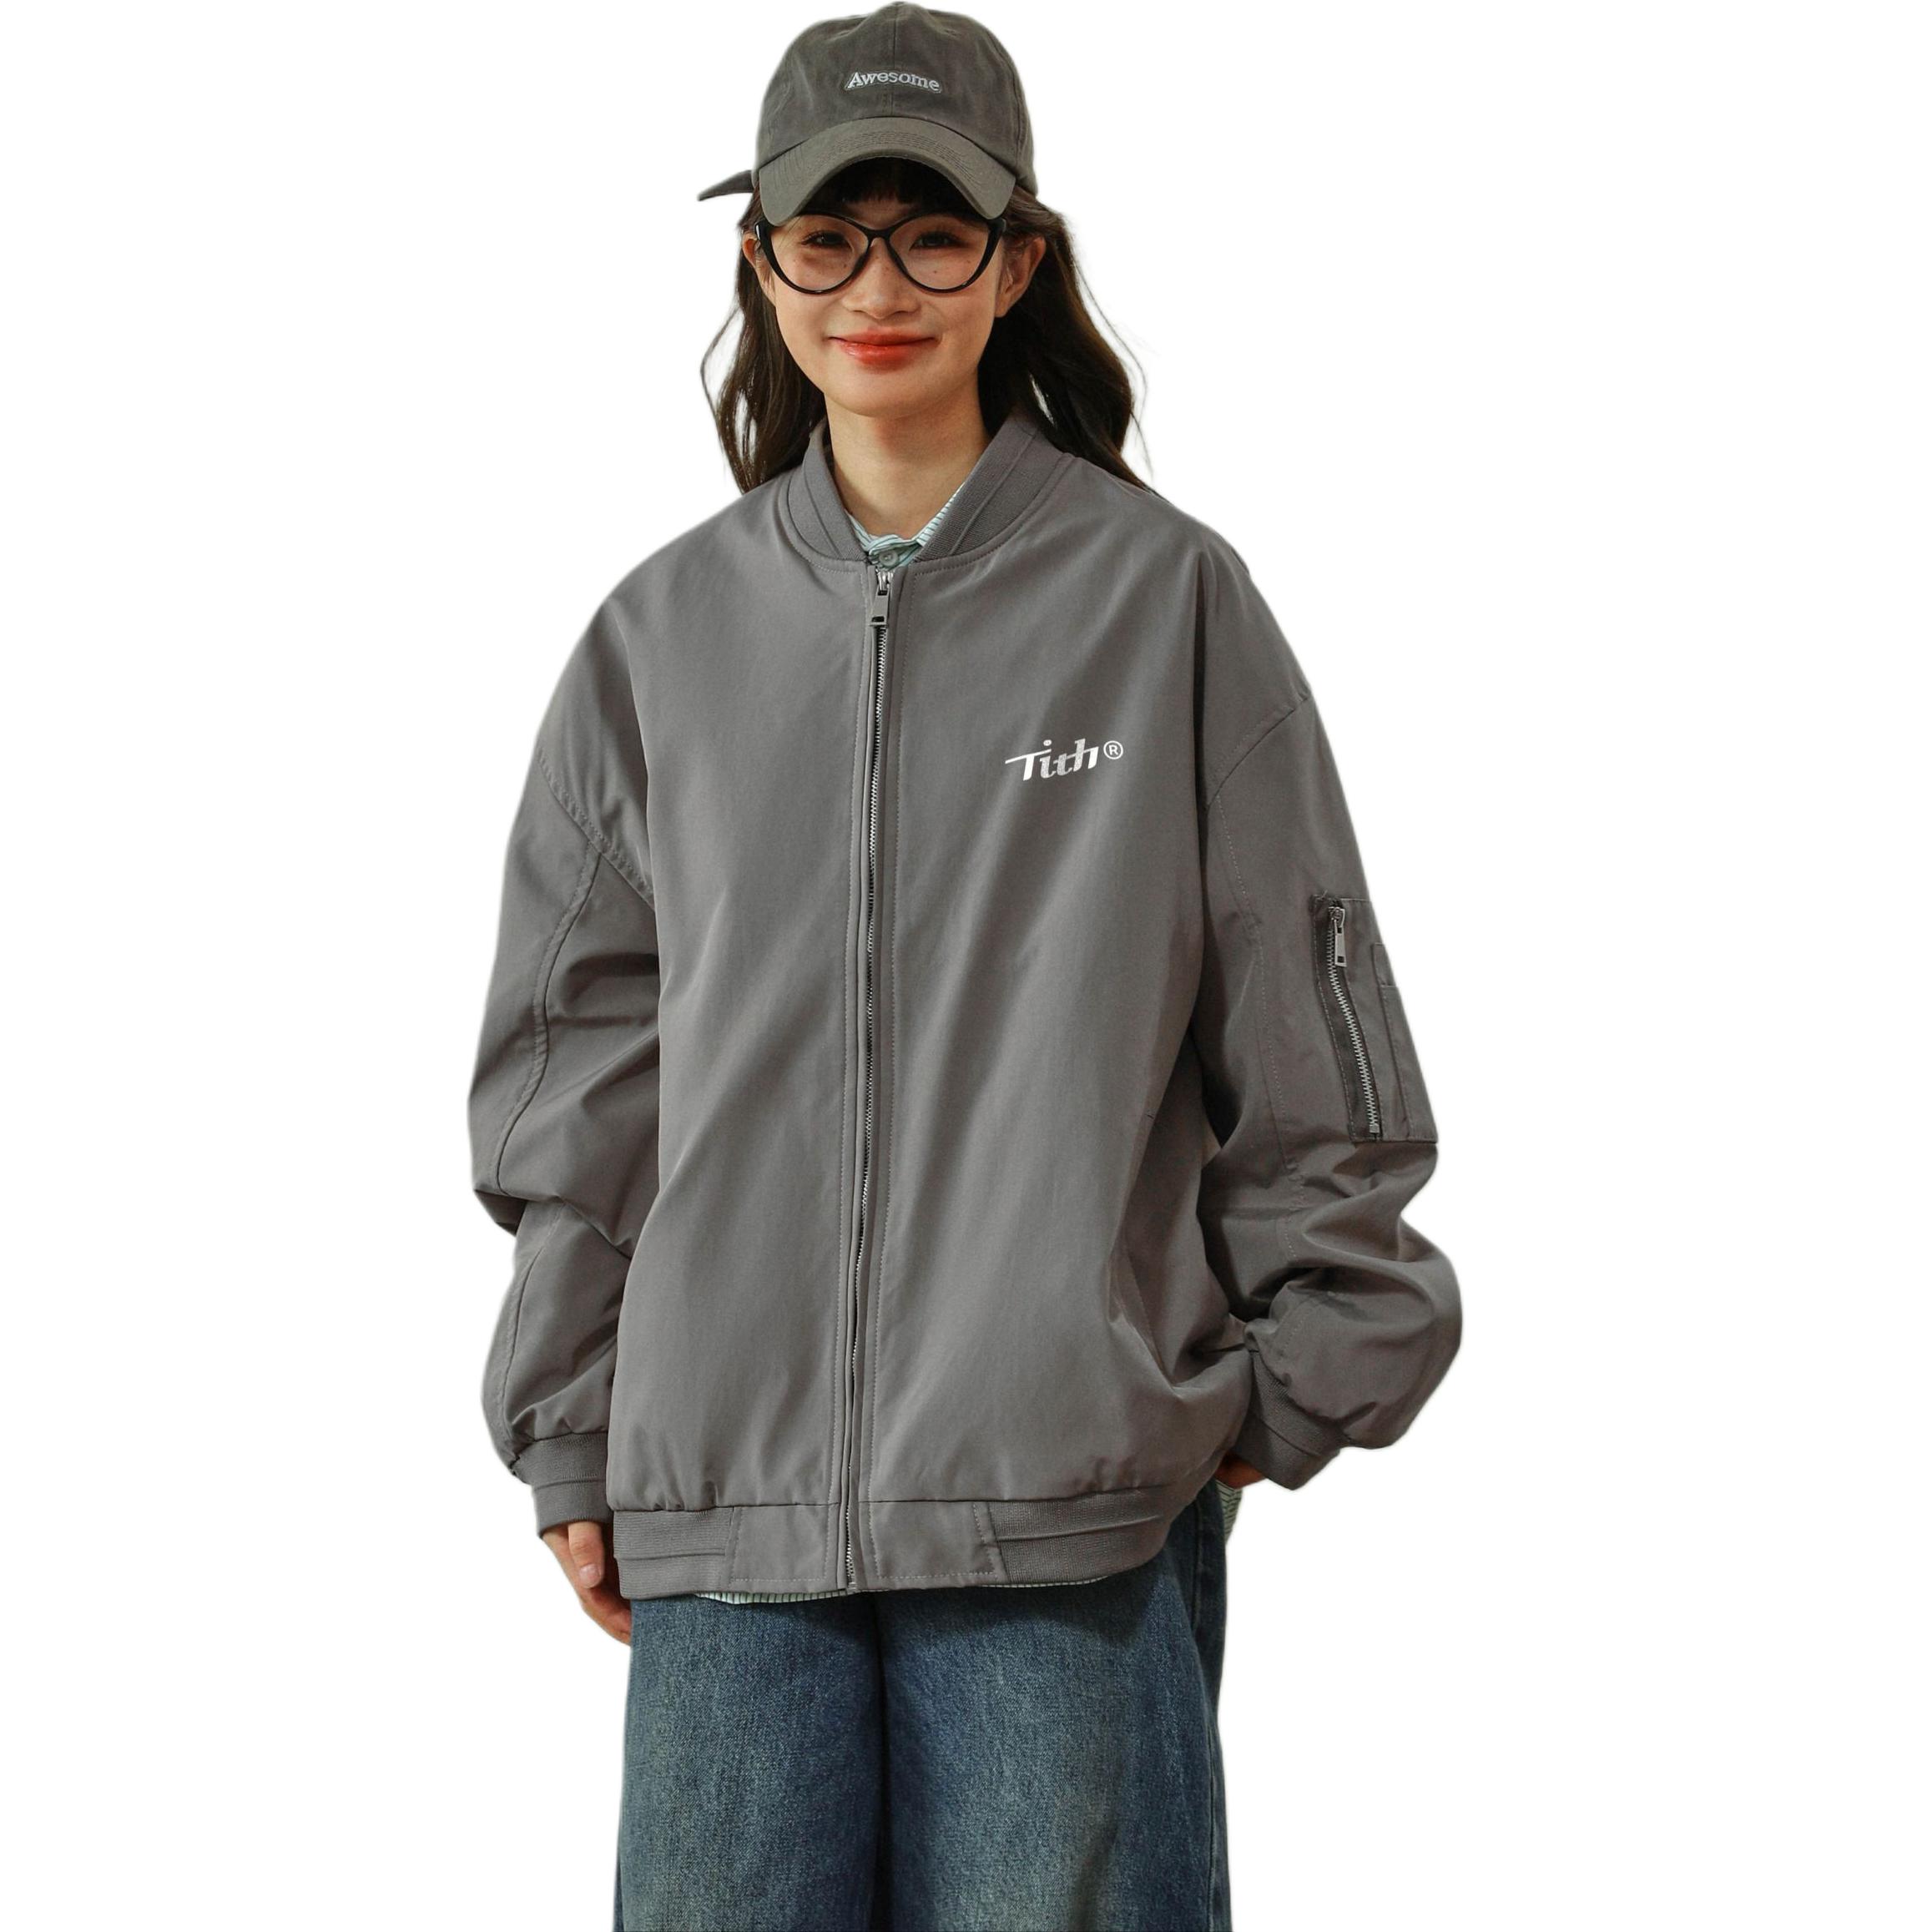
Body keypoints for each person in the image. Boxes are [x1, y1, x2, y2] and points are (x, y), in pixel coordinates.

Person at [466, 7, 1463, 1926]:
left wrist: (1281, 1381)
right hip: (729, 1516)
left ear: (1017, 264)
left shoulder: (1165, 602)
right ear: (760, 262)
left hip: (1064, 1513)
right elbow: (578, 1075)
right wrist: (574, 1420)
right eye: (829, 237)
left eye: (934, 235)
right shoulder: (658, 640)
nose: (878, 287)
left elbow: (1305, 1003)